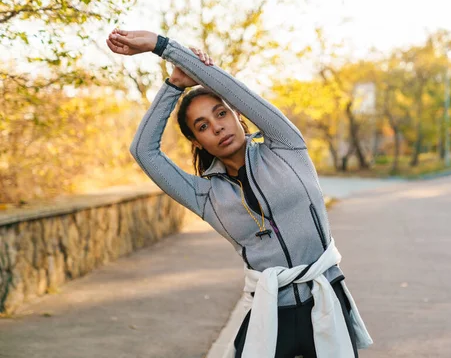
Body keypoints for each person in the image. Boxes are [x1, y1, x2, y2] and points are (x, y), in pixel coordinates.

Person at [106, 29, 373, 358]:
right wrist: (174, 85)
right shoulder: (205, 195)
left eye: (221, 113)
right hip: (270, 315)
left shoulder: (285, 146)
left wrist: (164, 47)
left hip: (326, 302)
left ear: (237, 115)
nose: (216, 127)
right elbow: (144, 151)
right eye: (202, 126)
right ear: (196, 141)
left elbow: (236, 91)